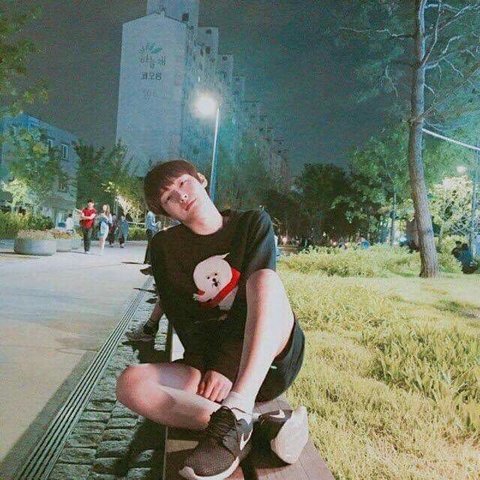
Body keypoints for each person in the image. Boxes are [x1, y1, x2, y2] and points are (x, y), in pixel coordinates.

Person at [119, 160, 308, 480]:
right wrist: (204, 366)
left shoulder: (252, 223)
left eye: (183, 183)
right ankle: (245, 426)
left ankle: (238, 408)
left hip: (267, 363)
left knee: (264, 281)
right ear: (166, 212)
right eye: (168, 198)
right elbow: (182, 318)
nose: (180, 196)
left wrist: (225, 367)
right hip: (208, 368)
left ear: (201, 179)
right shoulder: (164, 247)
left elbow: (253, 304)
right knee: (130, 384)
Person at [141, 210, 159, 275]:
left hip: (150, 230)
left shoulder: (150, 214)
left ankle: (147, 260)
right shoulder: (150, 214)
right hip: (150, 230)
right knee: (151, 245)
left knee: (149, 245)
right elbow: (151, 224)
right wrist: (156, 224)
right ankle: (149, 260)